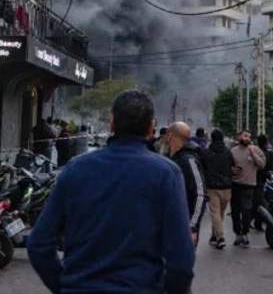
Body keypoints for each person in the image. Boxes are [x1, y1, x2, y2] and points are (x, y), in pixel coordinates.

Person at [27, 90, 195, 294]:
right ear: (151, 128)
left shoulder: (75, 170)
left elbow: (38, 244)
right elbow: (181, 259)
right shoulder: (166, 174)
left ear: (112, 123)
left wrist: (64, 285)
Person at [165, 122, 207, 248]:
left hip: (183, 226)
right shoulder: (171, 158)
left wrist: (192, 226)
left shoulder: (188, 160)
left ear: (169, 136)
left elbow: (200, 193)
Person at [231, 129, 266, 247]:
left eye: (249, 137)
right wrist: (232, 170)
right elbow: (228, 166)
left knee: (246, 210)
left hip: (249, 185)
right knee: (235, 211)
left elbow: (262, 164)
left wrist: (253, 154)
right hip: (236, 184)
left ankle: (245, 233)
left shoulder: (255, 149)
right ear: (239, 137)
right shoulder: (233, 151)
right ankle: (238, 234)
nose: (247, 138)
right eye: (245, 136)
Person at [202, 129, 235, 249]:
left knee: (215, 212)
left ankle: (220, 237)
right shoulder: (228, 152)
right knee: (220, 213)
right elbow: (233, 166)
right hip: (226, 187)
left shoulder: (206, 153)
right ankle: (214, 236)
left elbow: (202, 167)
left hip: (212, 186)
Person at [252, 133, 270, 231]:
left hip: (255, 180)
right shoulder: (262, 153)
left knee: (256, 202)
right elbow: (261, 169)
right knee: (261, 205)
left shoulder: (256, 151)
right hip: (258, 181)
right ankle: (257, 223)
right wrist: (268, 175)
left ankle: (250, 221)